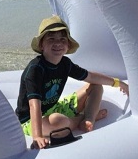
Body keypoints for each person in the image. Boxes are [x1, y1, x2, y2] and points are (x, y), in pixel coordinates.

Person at [15, 15, 129, 149]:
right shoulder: (36, 69)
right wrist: (37, 137)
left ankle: (88, 119)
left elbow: (91, 76)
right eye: (51, 39)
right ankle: (83, 119)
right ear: (41, 45)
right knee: (57, 121)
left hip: (54, 107)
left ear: (68, 45)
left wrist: (118, 83)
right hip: (30, 120)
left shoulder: (65, 64)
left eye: (62, 39)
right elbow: (34, 105)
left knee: (96, 87)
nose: (57, 43)